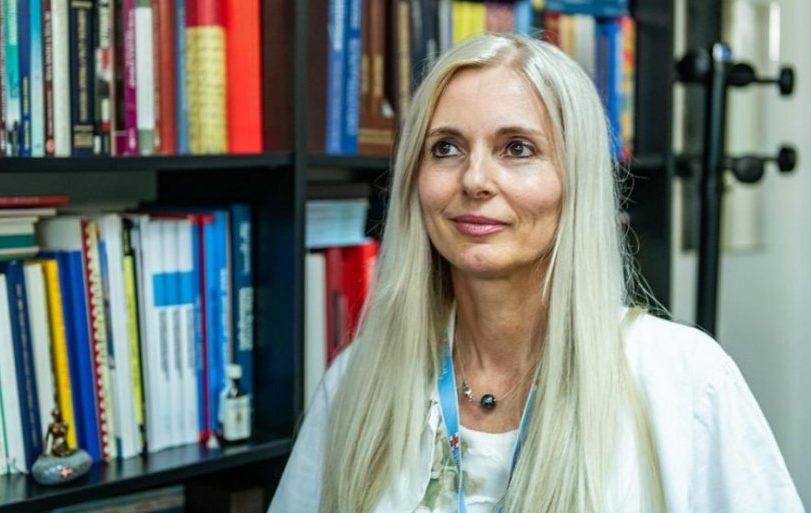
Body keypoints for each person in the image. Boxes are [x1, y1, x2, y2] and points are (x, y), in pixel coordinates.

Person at [269, 33, 804, 513]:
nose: (475, 180)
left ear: (576, 181)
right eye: (446, 148)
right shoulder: (357, 381)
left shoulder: (685, 378)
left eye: (517, 149)